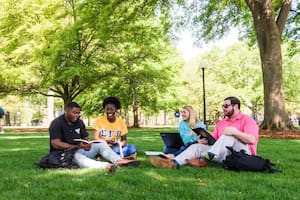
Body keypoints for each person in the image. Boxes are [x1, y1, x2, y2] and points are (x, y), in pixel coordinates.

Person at [149, 96, 259, 168]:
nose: (223, 108)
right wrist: (203, 139)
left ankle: (203, 159)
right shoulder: (221, 123)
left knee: (229, 135)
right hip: (225, 155)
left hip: (243, 155)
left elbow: (252, 140)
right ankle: (173, 163)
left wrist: (235, 132)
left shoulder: (248, 120)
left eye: (226, 106)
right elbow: (215, 141)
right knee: (196, 147)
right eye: (222, 106)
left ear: (235, 106)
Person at [49, 102, 140, 172]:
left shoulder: (79, 122)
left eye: (78, 113)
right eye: (74, 113)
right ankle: (106, 166)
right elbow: (55, 144)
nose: (76, 115)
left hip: (80, 149)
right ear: (66, 111)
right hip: (65, 154)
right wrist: (75, 147)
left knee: (101, 143)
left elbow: (85, 137)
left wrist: (87, 144)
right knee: (78, 157)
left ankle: (119, 160)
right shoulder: (57, 123)